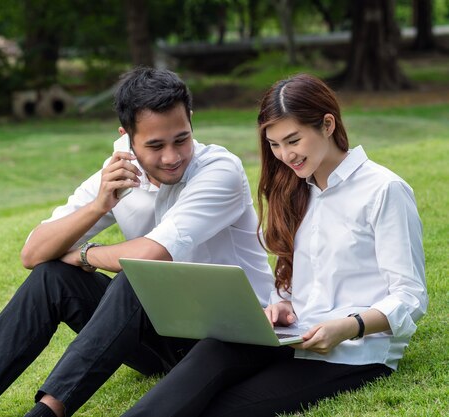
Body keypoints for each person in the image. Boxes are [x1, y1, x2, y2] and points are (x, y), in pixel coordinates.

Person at [0, 67, 274, 417]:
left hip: (234, 339)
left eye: (181, 139)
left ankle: (47, 412)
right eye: (155, 145)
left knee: (138, 276)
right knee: (52, 277)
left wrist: (86, 254)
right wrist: (99, 205)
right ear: (127, 137)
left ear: (190, 121)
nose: (172, 157)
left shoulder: (220, 170)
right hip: (165, 338)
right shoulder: (119, 174)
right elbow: (33, 253)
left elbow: (152, 254)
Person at [118, 73, 428, 417]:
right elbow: (294, 277)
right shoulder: (297, 189)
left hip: (352, 350)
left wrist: (348, 326)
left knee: (218, 408)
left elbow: (410, 296)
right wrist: (281, 304)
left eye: (293, 140)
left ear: (327, 124)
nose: (285, 155)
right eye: (275, 145)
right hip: (294, 338)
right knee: (212, 351)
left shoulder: (384, 190)